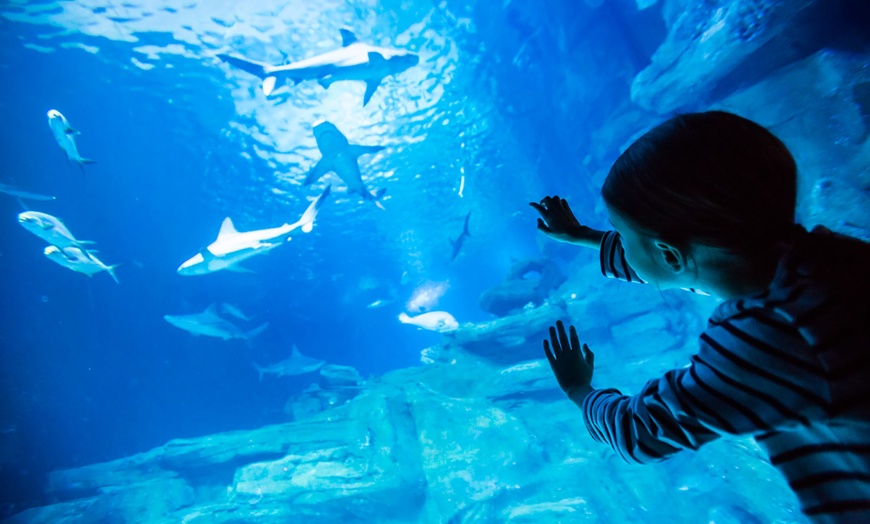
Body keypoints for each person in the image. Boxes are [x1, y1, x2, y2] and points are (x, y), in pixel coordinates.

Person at [530, 111, 870, 523]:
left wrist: (578, 389)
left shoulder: (771, 335)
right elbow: (682, 266)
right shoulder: (828, 261)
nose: (618, 239)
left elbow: (639, 432)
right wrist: (583, 236)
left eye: (621, 231)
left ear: (670, 254)